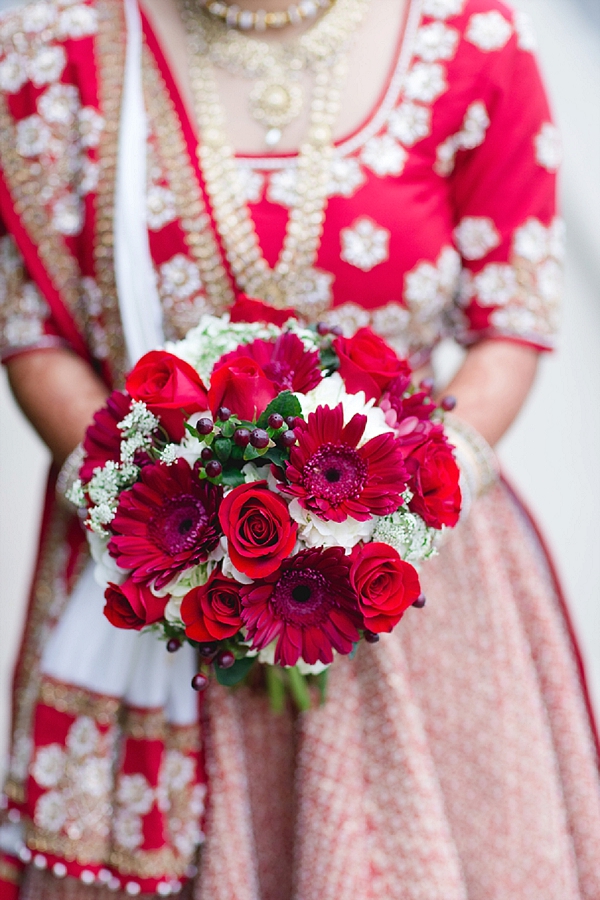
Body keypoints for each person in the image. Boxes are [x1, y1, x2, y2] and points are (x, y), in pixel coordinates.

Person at [0, 0, 599, 896]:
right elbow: (33, 328)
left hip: (417, 590)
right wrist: (154, 508)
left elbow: (508, 322)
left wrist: (398, 511)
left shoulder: (470, 38)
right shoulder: (63, 47)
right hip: (154, 583)